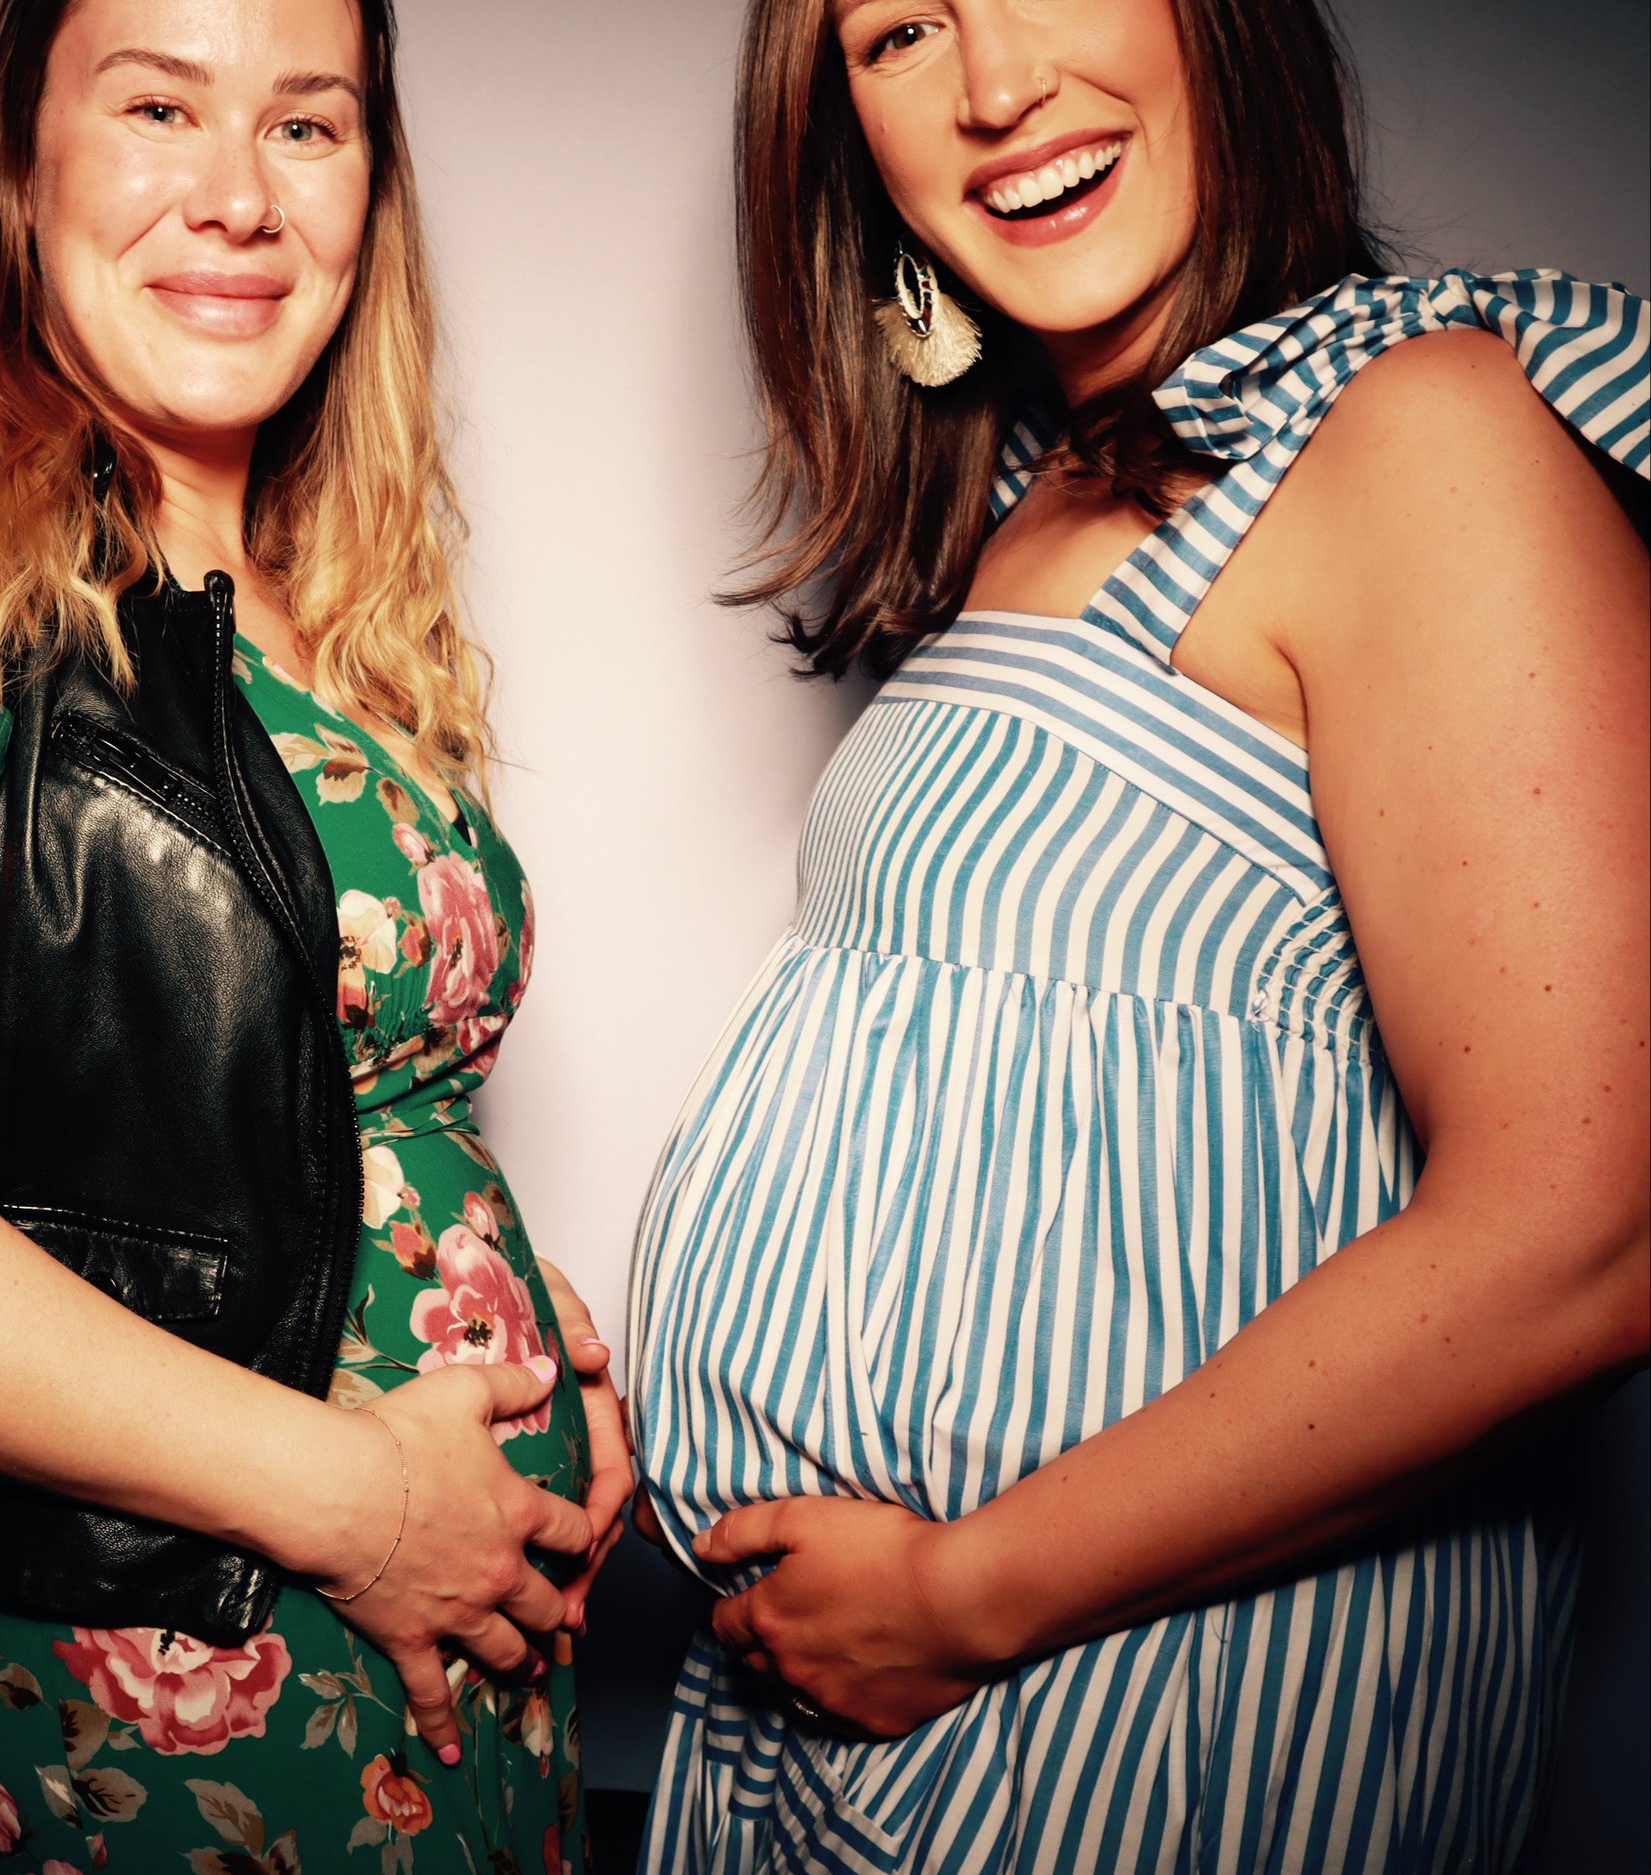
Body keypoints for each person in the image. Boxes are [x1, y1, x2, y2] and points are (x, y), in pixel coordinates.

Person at [625, 0, 1648, 1868]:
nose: (998, 87)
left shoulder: (1417, 432)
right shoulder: (1045, 484)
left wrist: (970, 1594)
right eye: (899, 30)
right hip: (886, 1718)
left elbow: (1594, 1229)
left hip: (1145, 1716)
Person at [0, 2, 629, 1869]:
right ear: (21, 164)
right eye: (161, 107)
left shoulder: (331, 602)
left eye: (307, 126)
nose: (240, 195)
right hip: (172, 1683)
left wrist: (526, 1338)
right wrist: (362, 1504)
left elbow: (285, 1110)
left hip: (468, 1661)